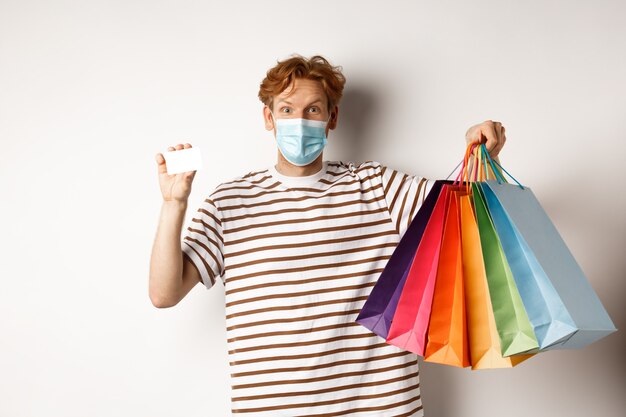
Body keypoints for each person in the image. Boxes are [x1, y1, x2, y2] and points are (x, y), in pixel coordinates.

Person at [149, 54, 506, 416]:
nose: (299, 121)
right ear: (269, 118)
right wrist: (174, 204)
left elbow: (468, 217)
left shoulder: (378, 186)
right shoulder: (230, 202)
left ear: (332, 117)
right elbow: (164, 294)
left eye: (313, 110)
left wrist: (480, 154)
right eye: (287, 110)